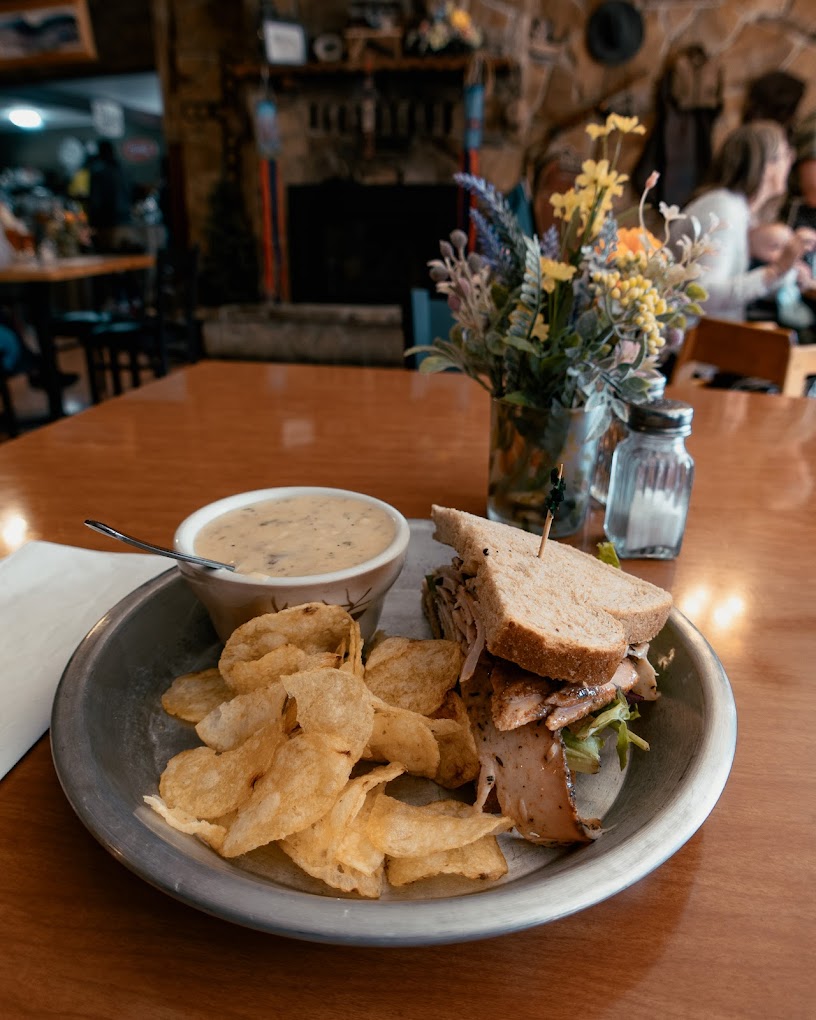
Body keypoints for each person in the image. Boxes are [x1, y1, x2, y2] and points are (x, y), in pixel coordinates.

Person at [675, 120, 815, 321]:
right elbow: (701, 294)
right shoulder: (724, 209)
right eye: (786, 154)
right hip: (687, 344)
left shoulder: (738, 210)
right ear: (768, 166)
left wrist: (788, 273)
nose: (791, 160)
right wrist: (776, 271)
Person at [87, 140, 133, 252]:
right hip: (126, 219)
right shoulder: (123, 170)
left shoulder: (99, 172)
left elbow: (96, 200)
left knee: (108, 254)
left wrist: (92, 221)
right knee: (124, 255)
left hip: (106, 221)